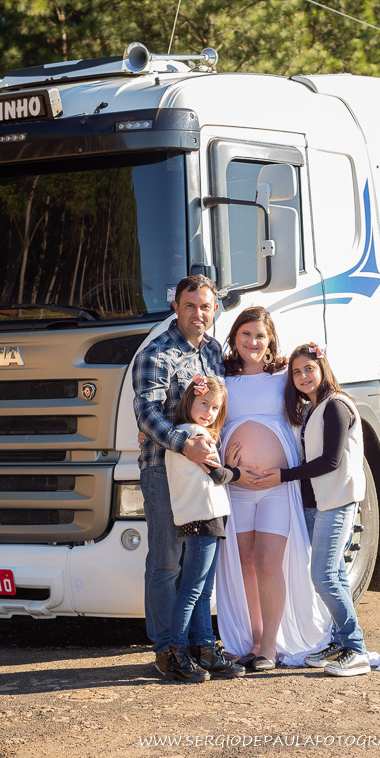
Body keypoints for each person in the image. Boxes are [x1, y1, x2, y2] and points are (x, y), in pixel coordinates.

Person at [215, 307, 330, 669]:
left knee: (269, 561)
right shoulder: (222, 378)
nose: (252, 341)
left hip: (276, 485)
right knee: (244, 562)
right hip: (238, 485)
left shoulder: (283, 376)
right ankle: (252, 639)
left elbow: (316, 391)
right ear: (234, 337)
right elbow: (204, 417)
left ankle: (269, 647)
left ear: (271, 340)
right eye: (245, 334)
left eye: (260, 335)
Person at [252, 342, 370, 676]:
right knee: (333, 576)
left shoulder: (335, 406)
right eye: (296, 371)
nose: (304, 376)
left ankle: (356, 648)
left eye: (310, 369)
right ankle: (341, 641)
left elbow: (330, 461)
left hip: (337, 501)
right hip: (318, 502)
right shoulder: (312, 407)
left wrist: (283, 476)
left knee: (323, 576)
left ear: (323, 369)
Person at [132, 274, 229, 676]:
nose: (198, 313)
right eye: (190, 305)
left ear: (214, 310)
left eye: (205, 306)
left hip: (203, 475)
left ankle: (198, 645)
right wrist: (181, 442)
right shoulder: (157, 353)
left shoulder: (214, 352)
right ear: (176, 307)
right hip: (163, 470)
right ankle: (165, 651)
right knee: (167, 562)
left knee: (200, 567)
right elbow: (146, 413)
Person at [162, 374, 247, 683]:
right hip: (203, 517)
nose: (209, 412)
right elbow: (218, 475)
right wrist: (238, 469)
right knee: (192, 590)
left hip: (206, 517)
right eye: (204, 403)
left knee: (201, 591)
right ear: (190, 402)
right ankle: (178, 652)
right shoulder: (194, 435)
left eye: (215, 408)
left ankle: (205, 648)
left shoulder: (187, 433)